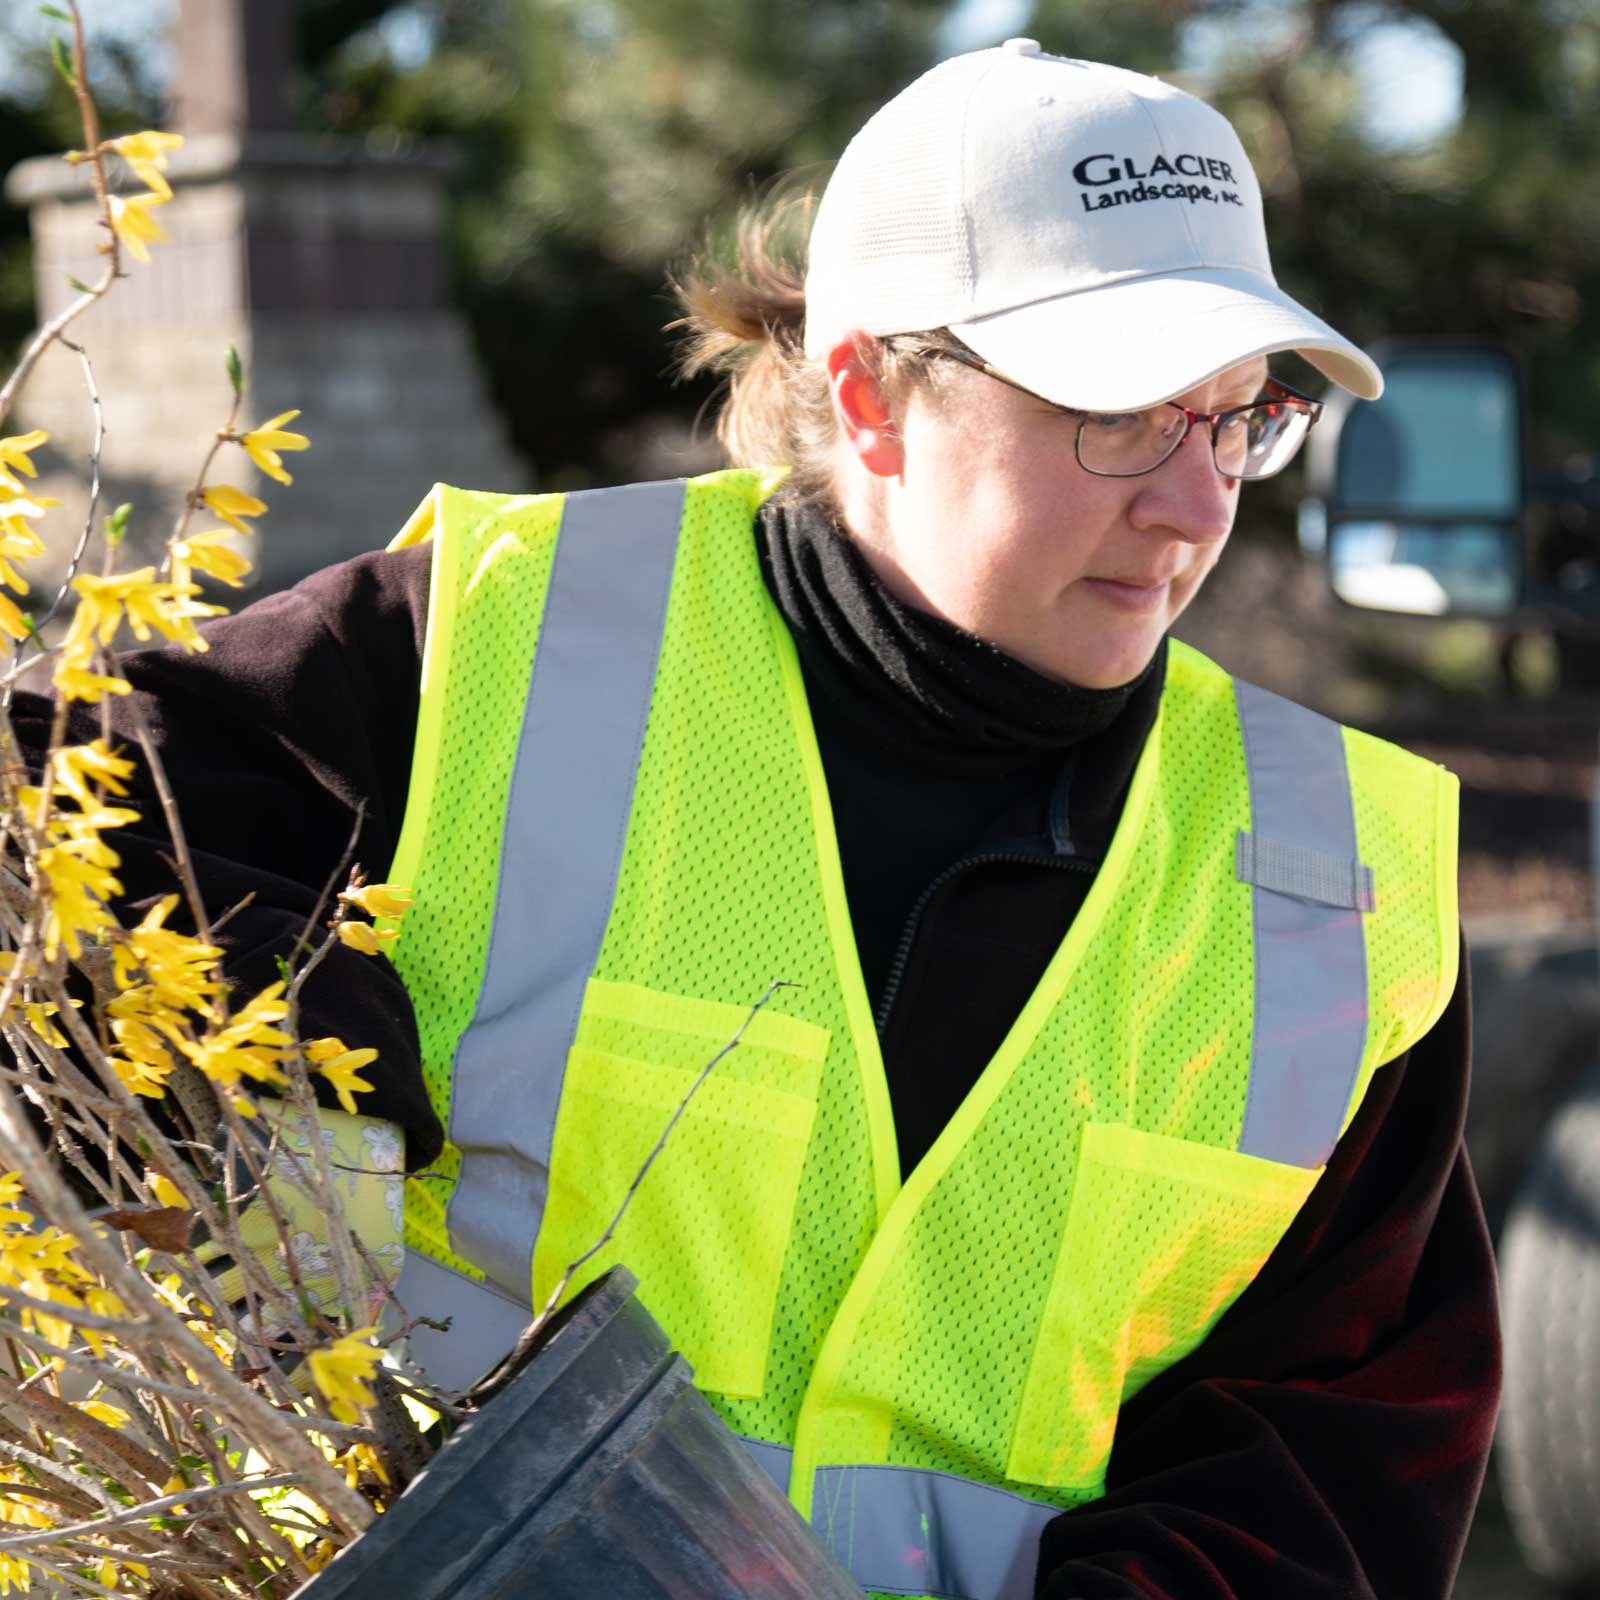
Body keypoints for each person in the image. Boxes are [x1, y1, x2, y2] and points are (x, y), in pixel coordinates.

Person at [20, 40, 1499, 1600]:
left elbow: (1331, 1465)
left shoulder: (1331, 888)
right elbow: (52, 814)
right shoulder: (486, 650)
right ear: (869, 394)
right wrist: (289, 1096)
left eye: (1239, 419)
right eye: (1122, 414)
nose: (1198, 506)